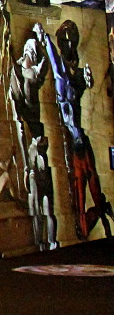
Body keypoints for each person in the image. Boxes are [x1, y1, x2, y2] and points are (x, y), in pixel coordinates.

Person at [37, 22, 113, 239]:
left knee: (94, 191)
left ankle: (100, 210)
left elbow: (79, 78)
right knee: (82, 197)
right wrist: (46, 40)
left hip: (80, 140)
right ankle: (97, 213)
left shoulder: (74, 75)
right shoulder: (64, 75)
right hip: (74, 142)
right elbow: (57, 64)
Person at [10, 35, 57, 249]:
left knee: (42, 187)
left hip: (35, 132)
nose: (29, 55)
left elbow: (46, 65)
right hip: (26, 128)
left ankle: (50, 241)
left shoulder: (33, 73)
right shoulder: (18, 72)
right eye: (28, 52)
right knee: (32, 187)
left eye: (32, 53)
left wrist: (43, 41)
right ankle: (40, 241)